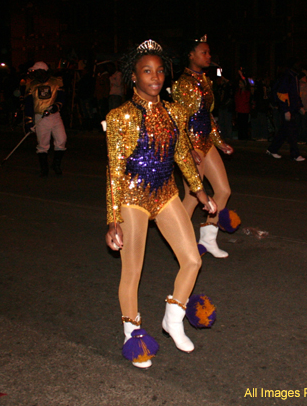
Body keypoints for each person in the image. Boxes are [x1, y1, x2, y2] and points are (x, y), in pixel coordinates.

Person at [105, 40, 217, 369]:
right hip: (132, 196)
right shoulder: (119, 117)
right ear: (134, 78)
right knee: (133, 270)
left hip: (166, 192)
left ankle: (174, 316)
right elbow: (114, 171)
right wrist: (113, 219)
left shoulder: (173, 111)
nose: (154, 77)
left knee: (192, 260)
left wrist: (198, 191)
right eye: (146, 71)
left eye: (158, 71)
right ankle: (133, 332)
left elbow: (182, 153)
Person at [172, 36, 236, 258]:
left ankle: (208, 240)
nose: (209, 56)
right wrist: (187, 147)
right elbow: (179, 119)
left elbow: (207, 116)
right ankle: (179, 243)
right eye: (204, 52)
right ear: (191, 55)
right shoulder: (182, 83)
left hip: (206, 143)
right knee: (191, 196)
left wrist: (220, 142)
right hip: (190, 144)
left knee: (223, 190)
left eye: (209, 53)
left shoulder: (206, 81)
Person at [24, 62, 67, 177]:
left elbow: (61, 98)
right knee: (43, 144)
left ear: (43, 71)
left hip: (55, 116)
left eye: (36, 71)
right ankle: (44, 168)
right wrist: (28, 121)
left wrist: (56, 106)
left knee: (62, 140)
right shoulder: (31, 85)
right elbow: (28, 104)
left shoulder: (56, 82)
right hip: (40, 117)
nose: (34, 74)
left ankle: (56, 164)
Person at [266, 58, 306, 161]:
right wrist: (285, 109)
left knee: (284, 131)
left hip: (291, 108)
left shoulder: (292, 76)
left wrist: (299, 105)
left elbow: (295, 94)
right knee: (291, 132)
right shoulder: (288, 77)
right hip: (288, 109)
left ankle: (273, 149)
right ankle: (295, 154)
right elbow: (282, 94)